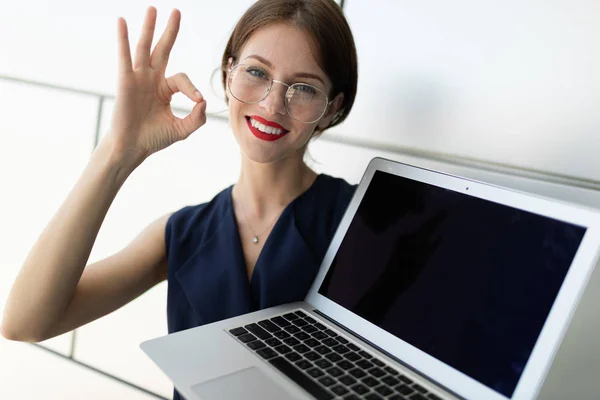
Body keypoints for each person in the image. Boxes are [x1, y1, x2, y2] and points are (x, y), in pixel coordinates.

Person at [2, 1, 357, 397]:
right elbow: (24, 322)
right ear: (228, 75)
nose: (273, 105)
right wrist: (117, 153)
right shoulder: (183, 234)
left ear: (332, 108)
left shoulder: (362, 219)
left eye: (304, 87)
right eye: (257, 72)